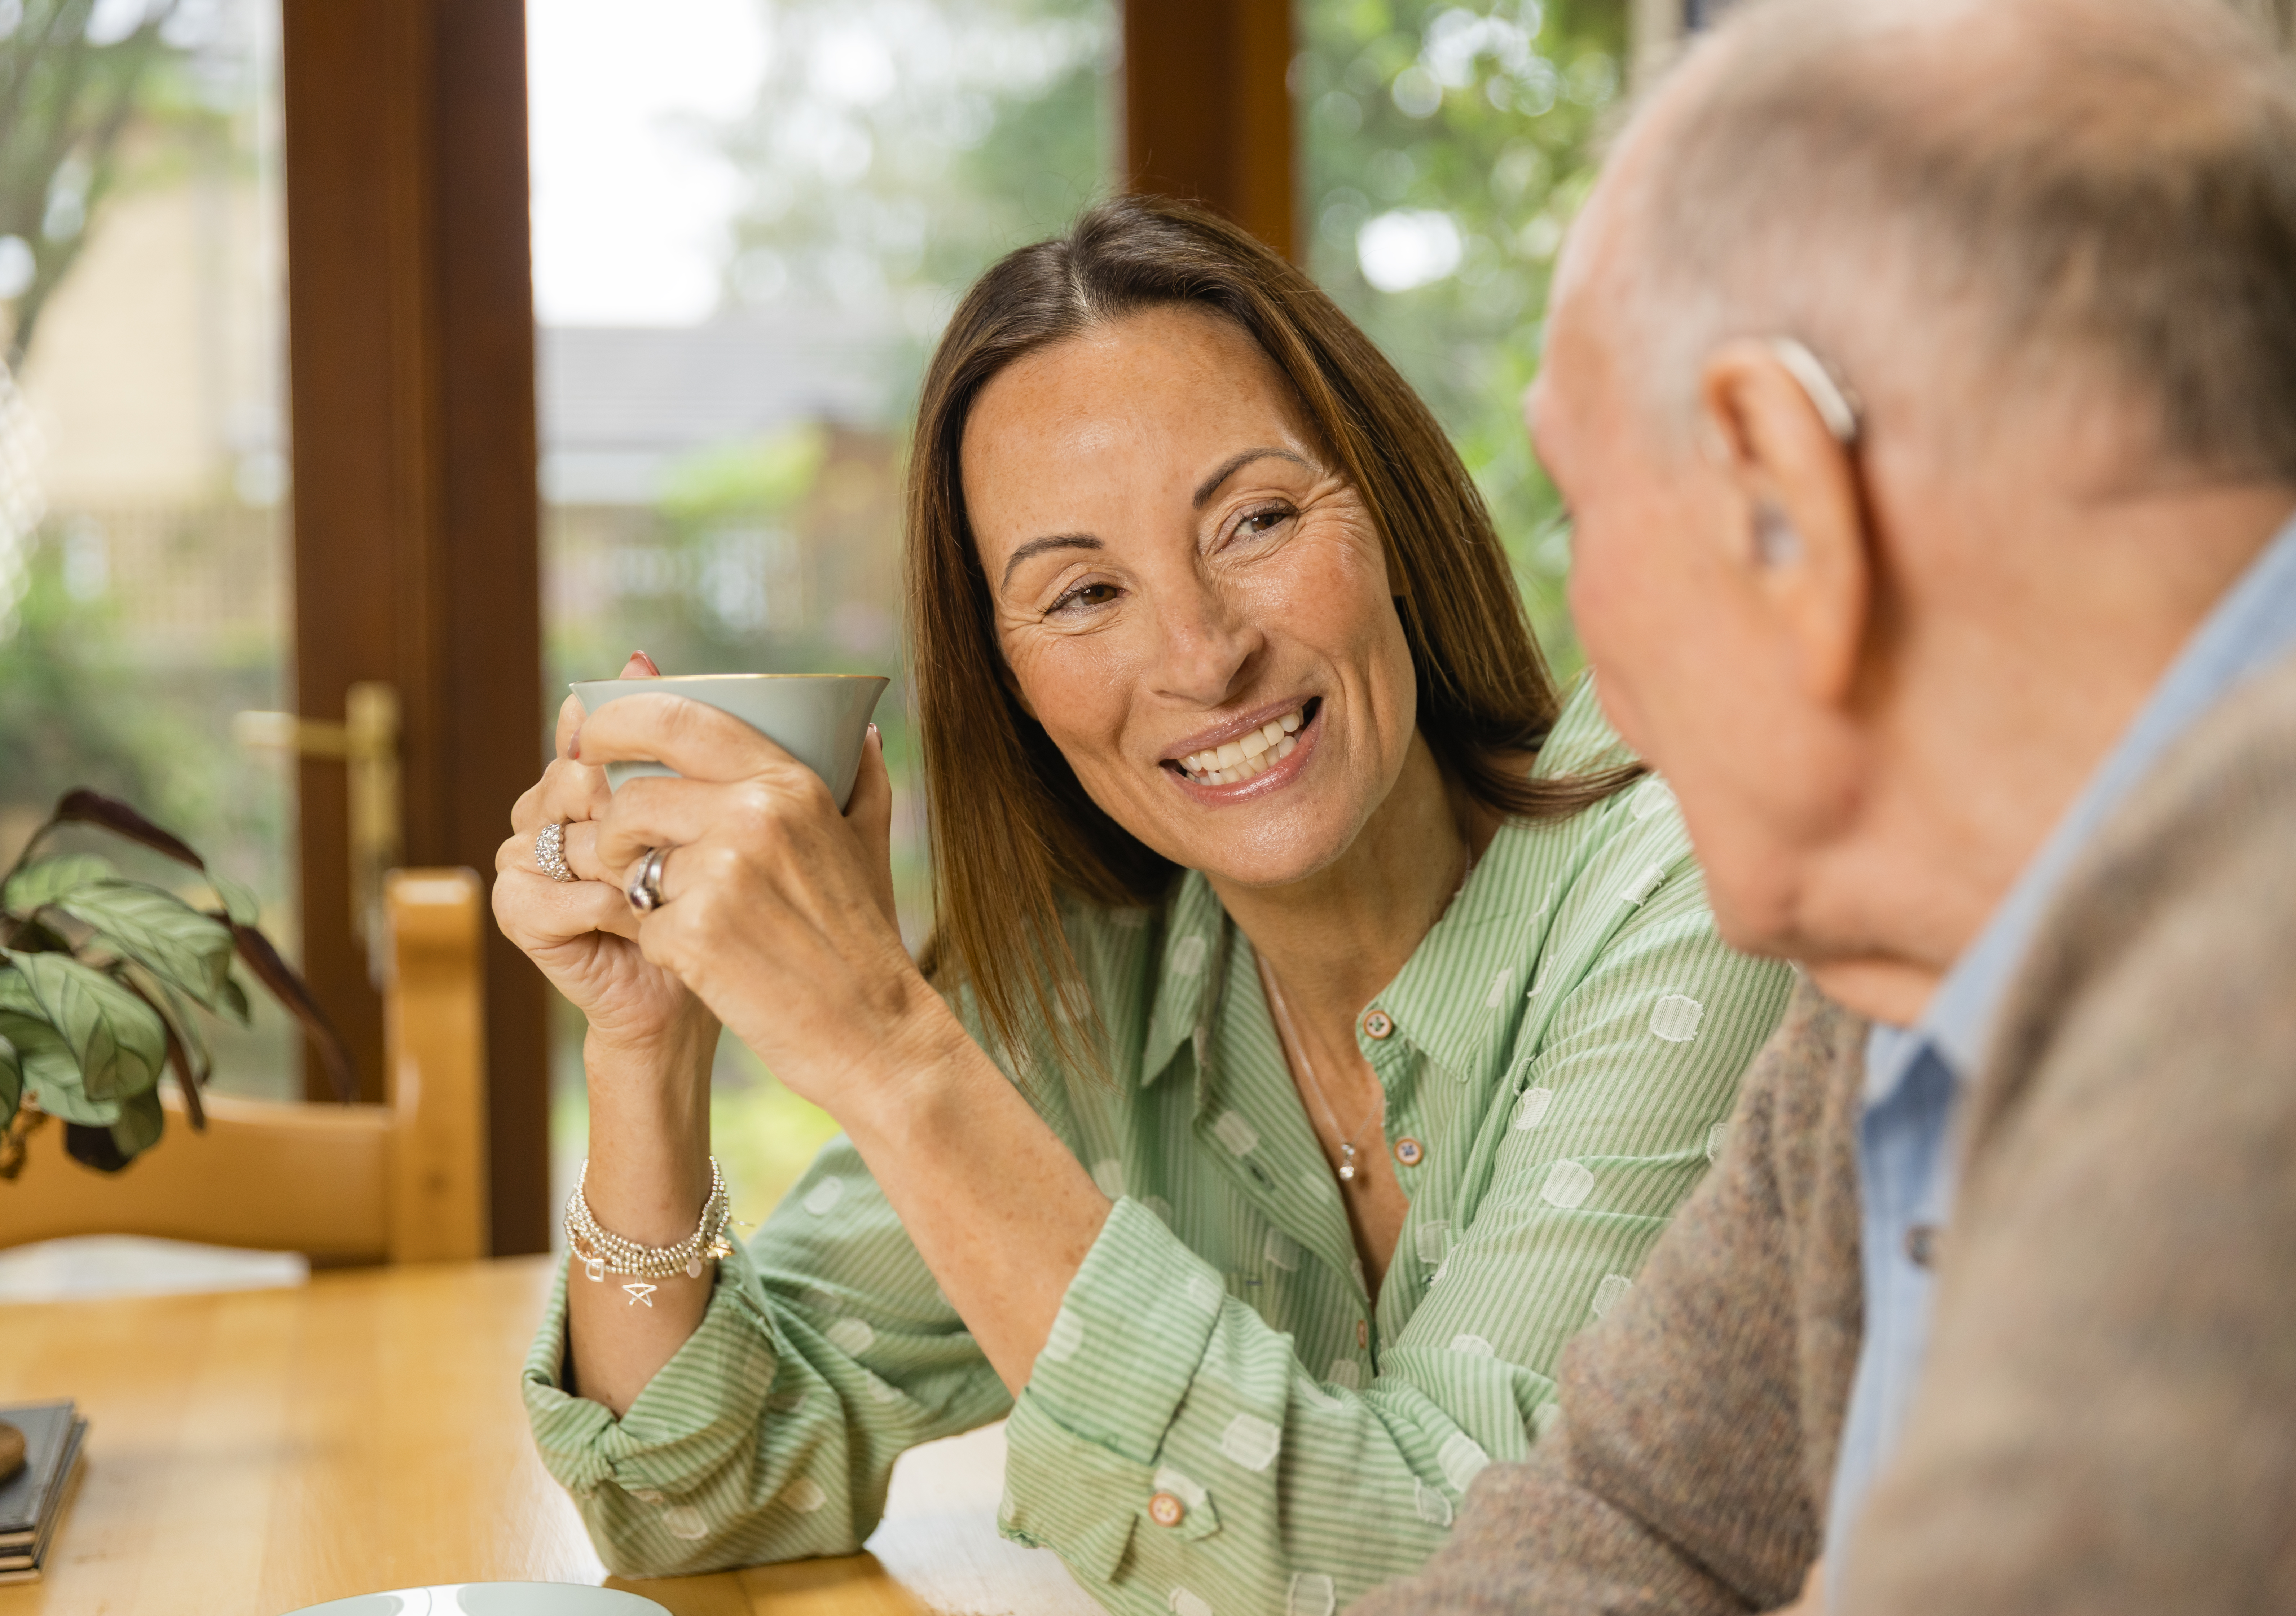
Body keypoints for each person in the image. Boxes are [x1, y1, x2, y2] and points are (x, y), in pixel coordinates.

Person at [491, 196, 1794, 1613]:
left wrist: (881, 1041)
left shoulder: (1689, 875)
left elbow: (1468, 1578)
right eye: (1084, 592)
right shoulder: (1091, 991)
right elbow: (701, 1495)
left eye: (1256, 520)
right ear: (1008, 682)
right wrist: (653, 1045)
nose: (1202, 654)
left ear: (1395, 522)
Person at [1363, 0, 2296, 1612]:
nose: (1587, 642)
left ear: (1782, 500)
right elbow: (1616, 1522)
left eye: (1583, 509)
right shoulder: (1919, 948)